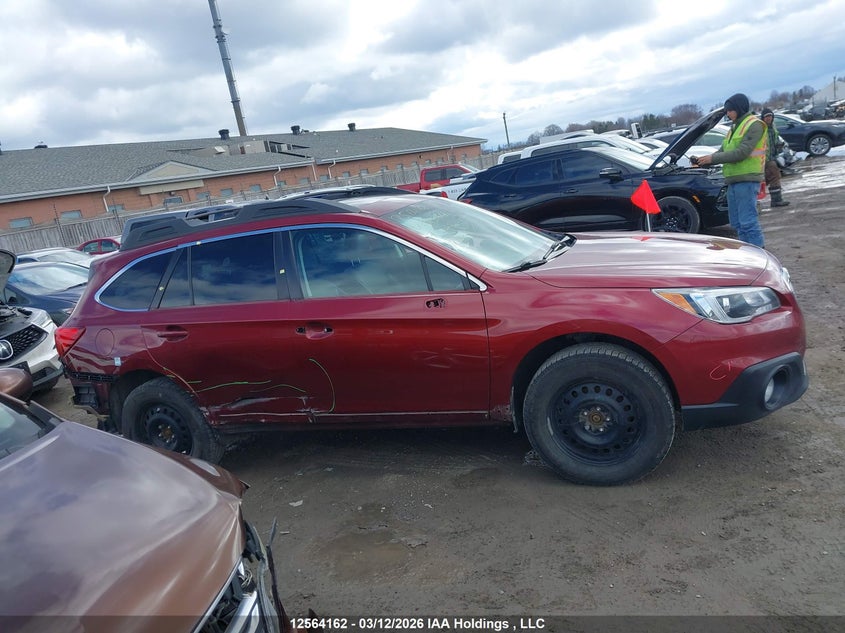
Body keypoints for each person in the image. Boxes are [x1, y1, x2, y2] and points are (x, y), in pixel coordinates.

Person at [693, 93, 767, 248]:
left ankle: (759, 253)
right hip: (733, 180)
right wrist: (703, 161)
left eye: (730, 110)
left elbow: (742, 152)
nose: (728, 114)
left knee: (748, 222)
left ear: (739, 108)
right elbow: (723, 151)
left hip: (747, 180)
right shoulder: (734, 127)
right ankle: (747, 254)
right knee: (737, 223)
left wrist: (712, 159)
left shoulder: (755, 125)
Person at [761, 107, 790, 207]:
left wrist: (779, 145)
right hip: (765, 159)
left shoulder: (773, 128)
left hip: (772, 157)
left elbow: (774, 141)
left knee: (773, 177)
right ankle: (776, 200)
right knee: (773, 176)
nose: (768, 118)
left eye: (770, 116)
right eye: (766, 117)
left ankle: (776, 199)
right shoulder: (761, 129)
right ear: (763, 118)